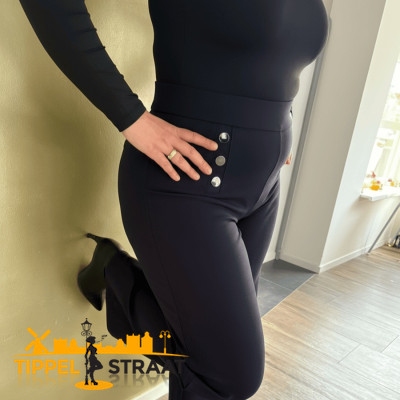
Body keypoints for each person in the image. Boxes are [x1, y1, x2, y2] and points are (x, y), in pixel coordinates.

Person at [18, 1, 329, 399]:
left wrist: (279, 125)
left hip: (263, 191)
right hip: (187, 183)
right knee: (232, 377)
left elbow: (277, 57)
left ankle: (112, 273)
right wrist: (131, 118)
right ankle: (117, 276)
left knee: (204, 360)